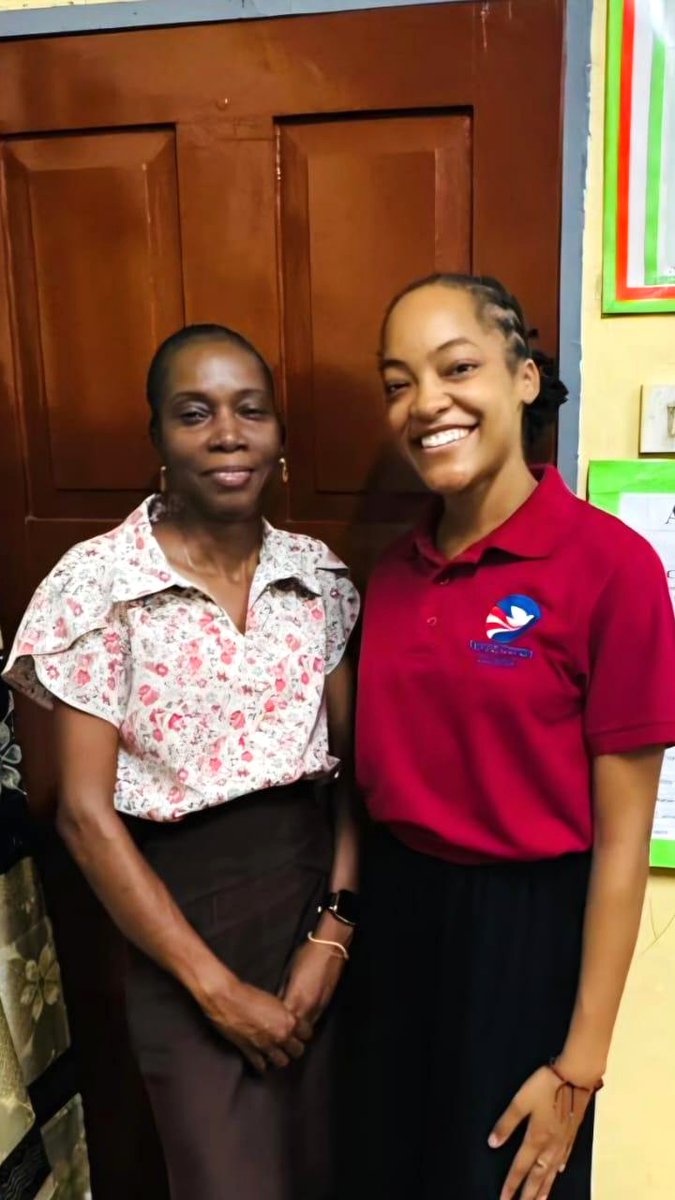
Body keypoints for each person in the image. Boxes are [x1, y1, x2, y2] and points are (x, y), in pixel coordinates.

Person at [4, 324, 360, 1200]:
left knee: (331, 1170)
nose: (228, 435)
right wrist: (216, 990)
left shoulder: (318, 578)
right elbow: (83, 814)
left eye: (251, 411)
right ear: (157, 437)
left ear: (279, 436)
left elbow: (357, 778)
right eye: (195, 414)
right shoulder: (98, 583)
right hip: (175, 925)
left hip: (313, 907)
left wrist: (335, 933)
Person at [343, 274, 675, 1200]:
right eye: (398, 383)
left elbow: (622, 845)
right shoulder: (391, 575)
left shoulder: (611, 568)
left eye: (457, 368)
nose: (425, 403)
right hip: (395, 927)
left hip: (528, 943)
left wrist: (580, 1066)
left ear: (524, 377)